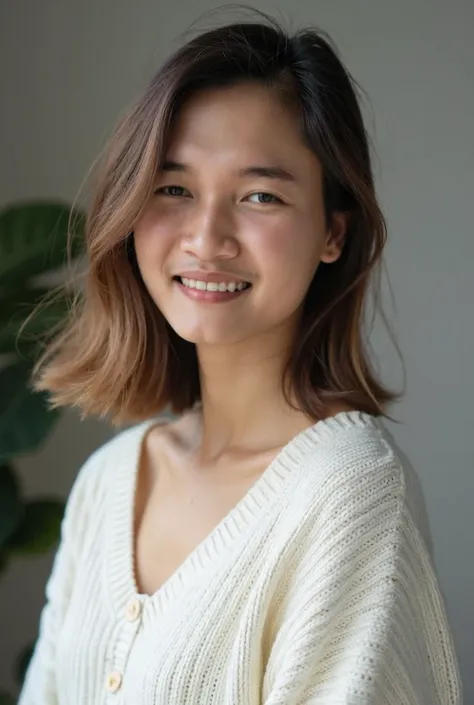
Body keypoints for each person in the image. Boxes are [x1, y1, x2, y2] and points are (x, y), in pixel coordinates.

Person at [19, 11, 462, 705]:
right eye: (173, 188)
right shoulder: (107, 482)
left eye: (260, 195)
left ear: (332, 233)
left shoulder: (349, 491)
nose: (206, 237)